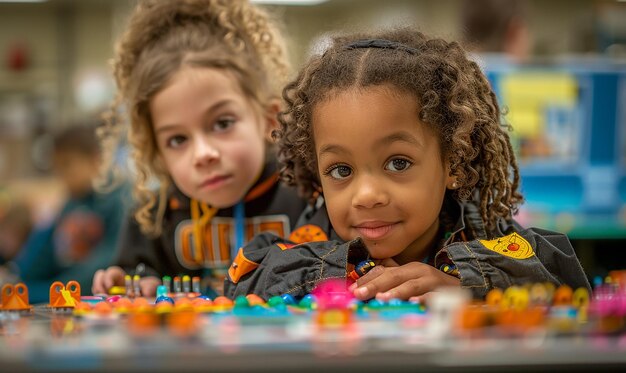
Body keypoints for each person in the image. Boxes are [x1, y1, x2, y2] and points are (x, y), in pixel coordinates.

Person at [223, 27, 591, 302]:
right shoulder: (315, 236)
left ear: (454, 165)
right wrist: (350, 273)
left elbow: (562, 274)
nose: (366, 195)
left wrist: (463, 285)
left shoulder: (485, 232)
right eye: (341, 171)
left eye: (398, 163)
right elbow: (245, 277)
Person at [91, 0, 307, 297]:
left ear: (268, 120)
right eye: (177, 140)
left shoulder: (307, 195)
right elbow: (135, 272)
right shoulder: (155, 216)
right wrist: (130, 282)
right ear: (158, 153)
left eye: (222, 123)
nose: (203, 154)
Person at [3, 124, 129, 303]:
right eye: (57, 168)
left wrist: (45, 292)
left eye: (67, 165)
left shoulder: (120, 199)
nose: (62, 176)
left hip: (94, 300)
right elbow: (42, 256)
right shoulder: (72, 202)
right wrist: (15, 278)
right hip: (61, 297)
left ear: (96, 159)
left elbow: (108, 260)